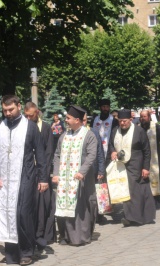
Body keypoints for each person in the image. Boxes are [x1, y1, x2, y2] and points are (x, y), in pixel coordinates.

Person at [0, 95, 47, 265]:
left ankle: (27, 251)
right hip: (5, 180)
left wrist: (43, 178)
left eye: (10, 109)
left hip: (26, 177)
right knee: (6, 214)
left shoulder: (30, 127)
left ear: (19, 106)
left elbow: (40, 153)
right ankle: (11, 254)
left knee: (22, 214)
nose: (8, 113)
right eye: (4, 110)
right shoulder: (1, 126)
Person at [53, 105, 98, 246]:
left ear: (77, 120)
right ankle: (65, 236)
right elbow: (57, 155)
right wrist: (55, 173)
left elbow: (91, 155)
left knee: (80, 209)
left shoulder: (88, 135)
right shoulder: (64, 136)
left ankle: (80, 237)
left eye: (68, 118)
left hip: (81, 180)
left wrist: (82, 171)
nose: (65, 120)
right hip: (65, 181)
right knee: (64, 206)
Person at [107, 109, 156, 226]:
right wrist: (113, 151)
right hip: (120, 165)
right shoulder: (115, 131)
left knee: (134, 190)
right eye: (120, 121)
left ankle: (132, 217)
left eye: (124, 121)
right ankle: (131, 216)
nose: (122, 123)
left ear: (131, 119)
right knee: (124, 188)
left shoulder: (139, 131)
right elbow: (111, 144)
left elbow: (147, 150)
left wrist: (145, 167)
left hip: (136, 164)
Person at [24, 102, 56, 249]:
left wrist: (44, 173)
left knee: (44, 204)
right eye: (26, 115)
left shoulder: (46, 127)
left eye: (31, 115)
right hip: (29, 172)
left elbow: (49, 151)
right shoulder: (24, 127)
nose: (28, 118)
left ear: (37, 112)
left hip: (42, 172)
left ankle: (43, 234)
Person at [140, 110, 160, 207]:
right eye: (141, 117)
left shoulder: (156, 127)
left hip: (156, 158)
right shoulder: (139, 128)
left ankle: (158, 198)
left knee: (158, 176)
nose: (143, 119)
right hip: (143, 159)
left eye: (144, 116)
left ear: (149, 117)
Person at [83, 113, 106, 226]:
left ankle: (98, 215)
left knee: (96, 194)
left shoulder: (94, 132)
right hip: (82, 171)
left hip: (94, 169)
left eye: (84, 120)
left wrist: (101, 170)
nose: (83, 123)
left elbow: (100, 152)